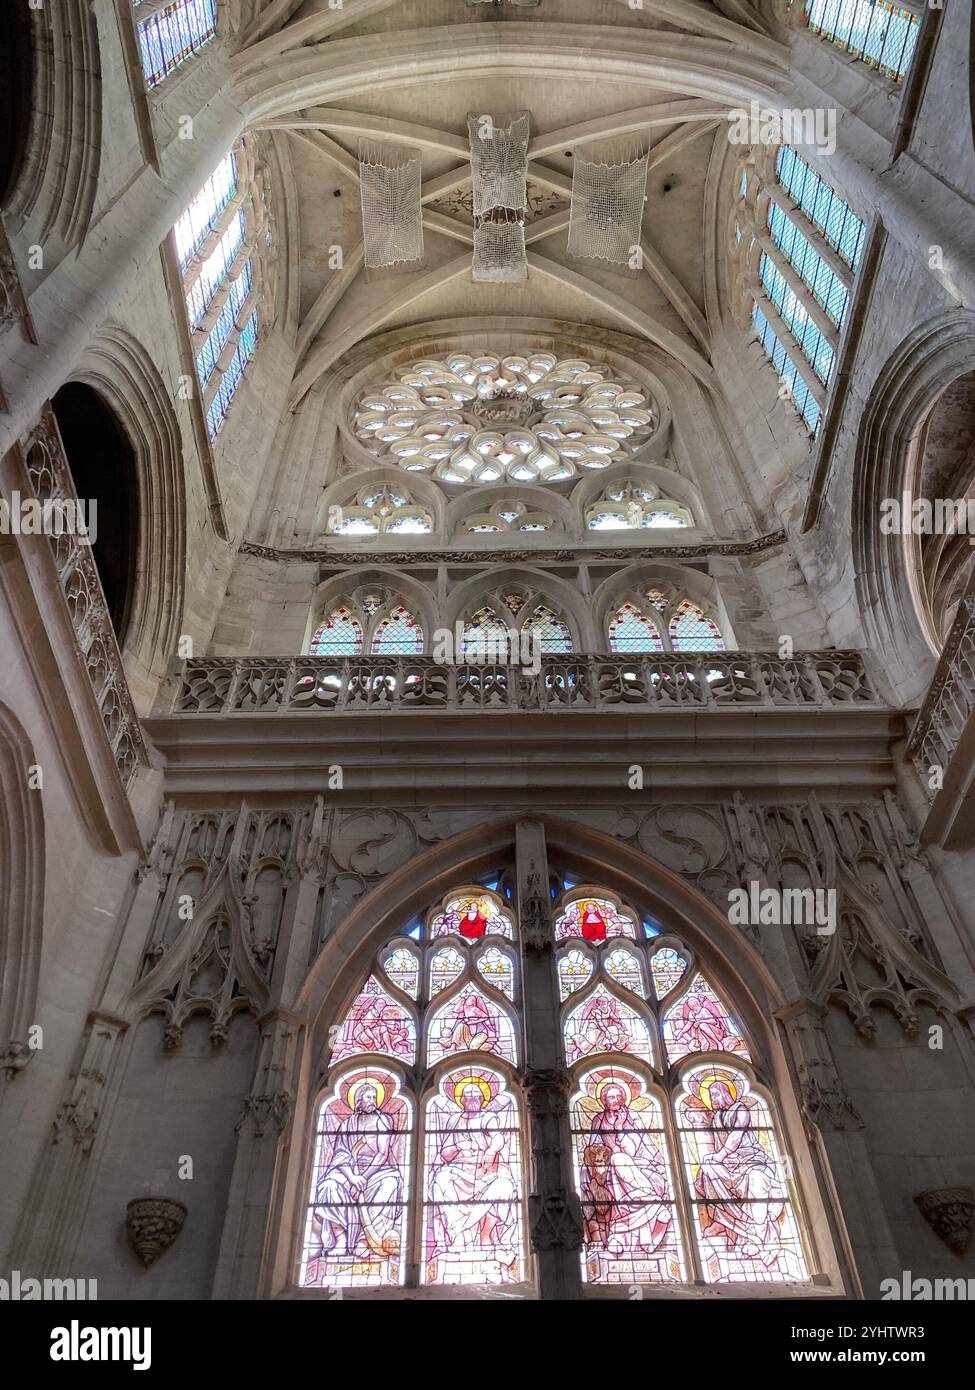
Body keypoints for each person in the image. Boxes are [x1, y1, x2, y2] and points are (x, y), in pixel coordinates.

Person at [693, 1079, 785, 1267]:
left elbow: (736, 1136)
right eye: (710, 1096)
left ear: (726, 1093)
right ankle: (725, 1220)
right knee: (707, 1171)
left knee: (756, 1179)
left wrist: (720, 1155)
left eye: (716, 1094)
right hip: (730, 1165)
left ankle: (758, 1237)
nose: (713, 1099)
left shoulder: (740, 1110)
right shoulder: (717, 1116)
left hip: (752, 1161)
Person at [429, 1083, 519, 1266]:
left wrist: (492, 1150)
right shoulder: (454, 1121)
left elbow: (498, 1138)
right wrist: (458, 1147)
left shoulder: (488, 1118)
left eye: (477, 1095)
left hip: (486, 1171)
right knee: (440, 1179)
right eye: (469, 1095)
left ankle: (485, 1237)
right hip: (459, 1169)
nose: (473, 1098)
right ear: (462, 1100)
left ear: (482, 1099)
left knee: (505, 1186)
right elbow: (444, 1154)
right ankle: (457, 1234)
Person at [580, 1083, 672, 1256]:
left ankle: (623, 1231)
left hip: (638, 1162)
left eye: (618, 1096)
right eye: (611, 1097)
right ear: (604, 1100)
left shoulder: (632, 1117)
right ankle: (649, 1206)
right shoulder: (599, 1120)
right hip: (609, 1163)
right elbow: (594, 1147)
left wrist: (622, 1125)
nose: (616, 1100)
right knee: (613, 1162)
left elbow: (634, 1147)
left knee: (620, 1160)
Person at [314, 1084, 403, 1260]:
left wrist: (363, 1178)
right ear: (358, 1101)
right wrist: (352, 1178)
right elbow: (341, 1154)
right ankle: (341, 1240)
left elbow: (383, 1153)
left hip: (377, 1170)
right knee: (328, 1186)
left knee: (390, 1185)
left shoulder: (383, 1121)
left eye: (375, 1097)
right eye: (368, 1097)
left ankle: (366, 1241)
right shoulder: (348, 1124)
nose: (373, 1101)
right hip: (349, 1171)